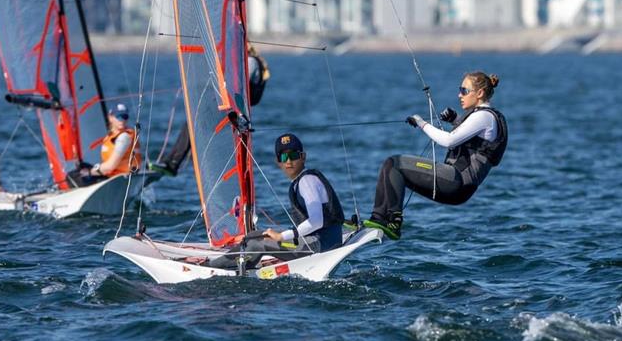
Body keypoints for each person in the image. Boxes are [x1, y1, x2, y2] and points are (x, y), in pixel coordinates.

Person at [362, 71, 507, 240]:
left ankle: (392, 222)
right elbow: (473, 139)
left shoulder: (484, 116)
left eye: (464, 90)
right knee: (392, 166)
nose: (459, 95)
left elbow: (449, 140)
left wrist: (421, 123)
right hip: (458, 186)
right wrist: (455, 120)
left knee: (394, 164)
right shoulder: (481, 116)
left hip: (457, 182)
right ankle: (379, 218)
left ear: (480, 93)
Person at [208, 133, 345, 269]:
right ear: (278, 162)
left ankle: (212, 267)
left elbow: (317, 221)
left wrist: (281, 236)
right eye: (284, 157)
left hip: (320, 244)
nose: (289, 162)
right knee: (253, 236)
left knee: (258, 244)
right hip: (321, 240)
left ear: (303, 157)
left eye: (293, 156)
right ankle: (232, 262)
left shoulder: (306, 181)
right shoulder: (305, 180)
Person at [149, 47, 269, 177]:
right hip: (230, 107)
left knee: (193, 122)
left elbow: (236, 83)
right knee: (193, 123)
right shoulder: (247, 62)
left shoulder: (250, 61)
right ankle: (172, 162)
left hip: (233, 108)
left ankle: (173, 163)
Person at [66, 103, 141, 188]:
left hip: (121, 178)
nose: (122, 120)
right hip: (113, 175)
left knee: (72, 177)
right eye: (118, 117)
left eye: (125, 117)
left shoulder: (124, 137)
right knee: (80, 167)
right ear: (110, 118)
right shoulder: (110, 136)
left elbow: (110, 166)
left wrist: (89, 172)